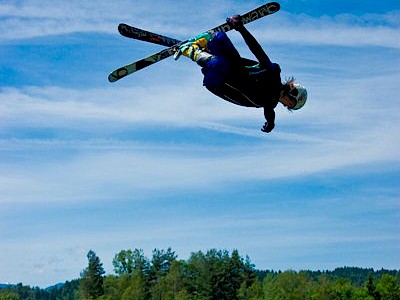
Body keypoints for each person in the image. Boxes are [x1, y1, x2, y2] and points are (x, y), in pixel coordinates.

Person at [174, 15, 307, 133]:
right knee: (219, 37)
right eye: (290, 104)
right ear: (293, 94)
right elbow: (257, 50)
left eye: (289, 107)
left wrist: (271, 123)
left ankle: (190, 50)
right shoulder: (273, 71)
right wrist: (240, 28)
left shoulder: (269, 102)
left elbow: (269, 112)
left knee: (217, 64)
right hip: (232, 66)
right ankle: (202, 45)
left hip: (219, 84)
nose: (286, 105)